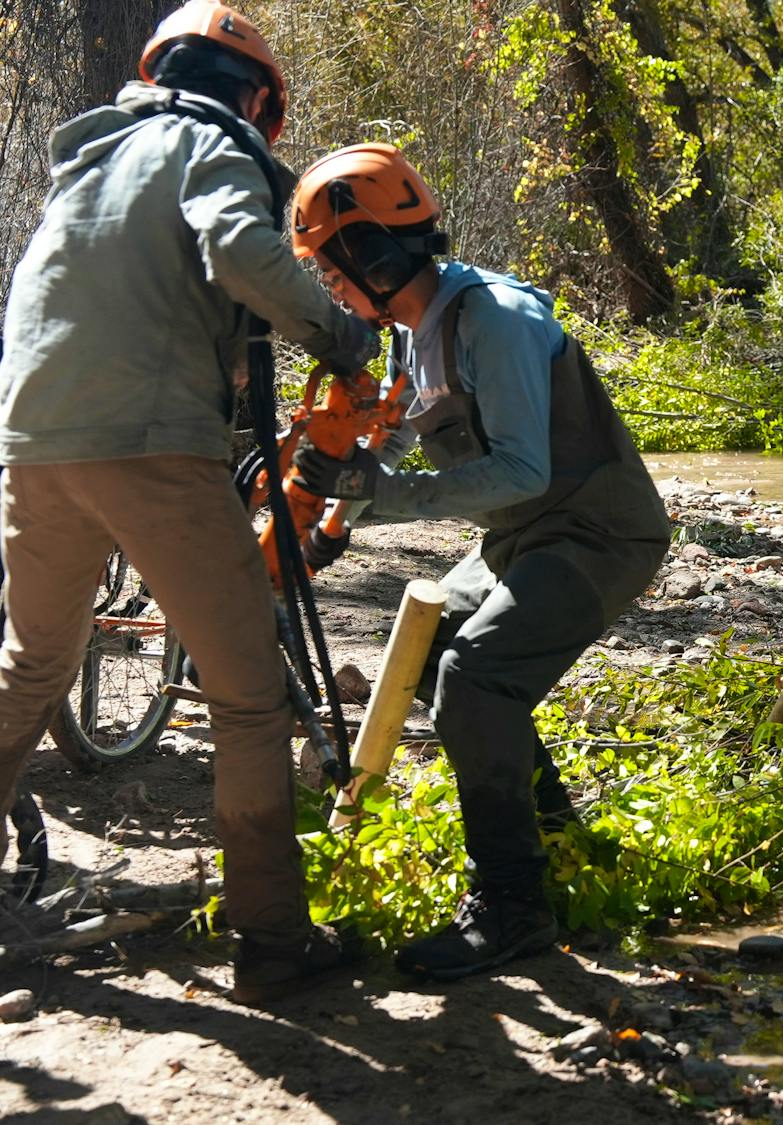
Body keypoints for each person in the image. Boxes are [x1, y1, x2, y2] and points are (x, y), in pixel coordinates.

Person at [0, 2, 379, 1001]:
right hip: (154, 448)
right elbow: (241, 255)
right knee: (247, 695)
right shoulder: (208, 143)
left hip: (32, 439)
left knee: (32, 662)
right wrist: (339, 337)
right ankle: (274, 942)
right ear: (256, 101)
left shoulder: (87, 160)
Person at [287, 144, 670, 981]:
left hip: (598, 534)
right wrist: (327, 529)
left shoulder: (490, 319)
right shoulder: (407, 333)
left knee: (476, 676)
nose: (332, 292)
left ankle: (513, 907)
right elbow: (381, 443)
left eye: (332, 272)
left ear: (373, 257)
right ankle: (555, 839)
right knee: (428, 653)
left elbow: (524, 470)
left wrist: (383, 494)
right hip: (519, 538)